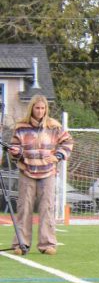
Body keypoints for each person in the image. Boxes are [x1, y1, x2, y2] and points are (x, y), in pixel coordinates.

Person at [9, 94, 73, 255]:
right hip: (27, 171)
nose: (40, 111)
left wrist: (58, 156)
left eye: (42, 108)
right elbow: (15, 147)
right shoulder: (21, 127)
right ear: (32, 108)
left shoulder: (54, 126)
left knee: (47, 208)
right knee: (24, 208)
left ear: (46, 109)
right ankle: (21, 244)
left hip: (48, 172)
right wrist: (16, 152)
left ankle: (47, 244)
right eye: (37, 108)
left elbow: (67, 142)